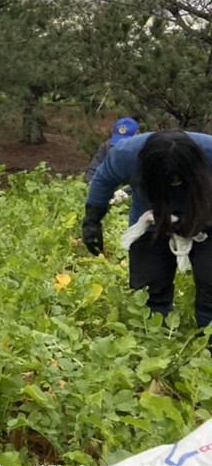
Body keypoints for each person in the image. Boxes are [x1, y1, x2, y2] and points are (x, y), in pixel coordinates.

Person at [83, 129, 212, 328]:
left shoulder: (209, 152)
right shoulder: (127, 155)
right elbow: (103, 180)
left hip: (204, 217)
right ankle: (157, 334)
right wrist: (92, 220)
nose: (174, 184)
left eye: (179, 179)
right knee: (150, 283)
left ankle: (208, 333)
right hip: (152, 219)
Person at [84, 117, 139, 184]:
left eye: (126, 141)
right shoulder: (107, 146)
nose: (122, 145)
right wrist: (92, 182)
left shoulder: (145, 150)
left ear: (137, 134)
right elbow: (94, 168)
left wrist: (127, 191)